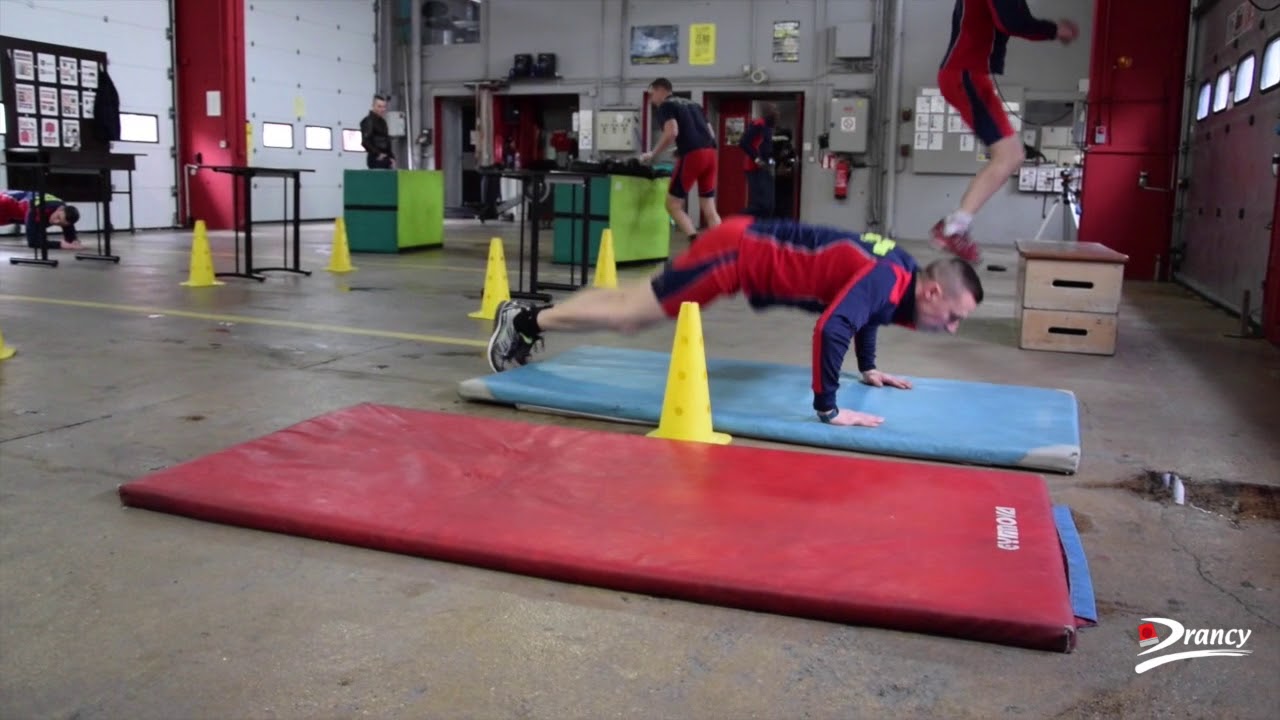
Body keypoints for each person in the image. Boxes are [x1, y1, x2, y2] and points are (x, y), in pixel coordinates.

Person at [486, 216, 984, 428]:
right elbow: (834, 327)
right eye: (955, 317)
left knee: (633, 303)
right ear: (933, 291)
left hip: (740, 244)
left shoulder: (898, 275)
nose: (952, 327)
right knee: (631, 315)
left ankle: (529, 318)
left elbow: (867, 314)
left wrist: (869, 367)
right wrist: (830, 409)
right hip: (733, 255)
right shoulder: (886, 278)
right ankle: (526, 320)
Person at [931, 0, 1078, 263]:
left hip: (970, 75)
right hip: (966, 75)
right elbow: (1012, 22)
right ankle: (953, 228)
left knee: (1012, 155)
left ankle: (955, 225)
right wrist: (1056, 30)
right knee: (1008, 156)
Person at [640, 78, 721, 243]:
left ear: (660, 90)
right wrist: (681, 147)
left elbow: (672, 132)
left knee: (672, 205)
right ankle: (722, 247)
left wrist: (652, 153)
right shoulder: (694, 105)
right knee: (709, 206)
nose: (651, 100)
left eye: (651, 94)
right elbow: (711, 134)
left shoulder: (666, 105)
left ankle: (695, 242)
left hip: (693, 156)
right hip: (711, 154)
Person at [0, 190, 82, 250]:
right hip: (5, 201)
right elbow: (33, 242)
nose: (55, 222)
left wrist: (73, 240)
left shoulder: (65, 213)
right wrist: (59, 244)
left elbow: (70, 236)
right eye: (58, 218)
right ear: (60, 209)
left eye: (60, 223)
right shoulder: (39, 210)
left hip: (14, 213)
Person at [739, 103, 778, 218]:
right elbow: (744, 143)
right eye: (774, 110)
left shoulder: (769, 127)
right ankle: (736, 221)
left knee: (770, 205)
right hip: (755, 168)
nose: (777, 113)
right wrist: (757, 159)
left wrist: (772, 162)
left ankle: (762, 230)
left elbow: (767, 148)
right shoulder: (758, 124)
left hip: (767, 168)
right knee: (761, 204)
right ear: (767, 112)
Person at [360, 93, 395, 169]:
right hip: (376, 159)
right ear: (373, 106)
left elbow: (387, 141)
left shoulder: (383, 122)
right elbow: (365, 142)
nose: (382, 109)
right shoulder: (368, 121)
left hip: (385, 157)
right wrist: (378, 154)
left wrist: (391, 157)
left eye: (384, 107)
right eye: (379, 106)